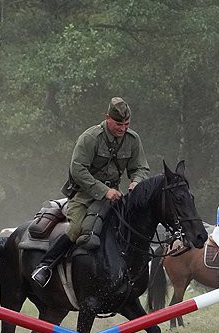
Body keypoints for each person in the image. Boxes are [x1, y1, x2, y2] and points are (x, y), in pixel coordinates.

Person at [31, 97, 150, 287]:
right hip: (84, 196)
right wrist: (104, 191)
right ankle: (45, 266)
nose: (123, 128)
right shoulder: (90, 138)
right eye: (119, 124)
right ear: (107, 118)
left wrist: (137, 182)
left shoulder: (132, 140)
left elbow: (140, 168)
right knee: (77, 229)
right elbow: (77, 170)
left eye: (126, 124)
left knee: (132, 226)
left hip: (115, 197)